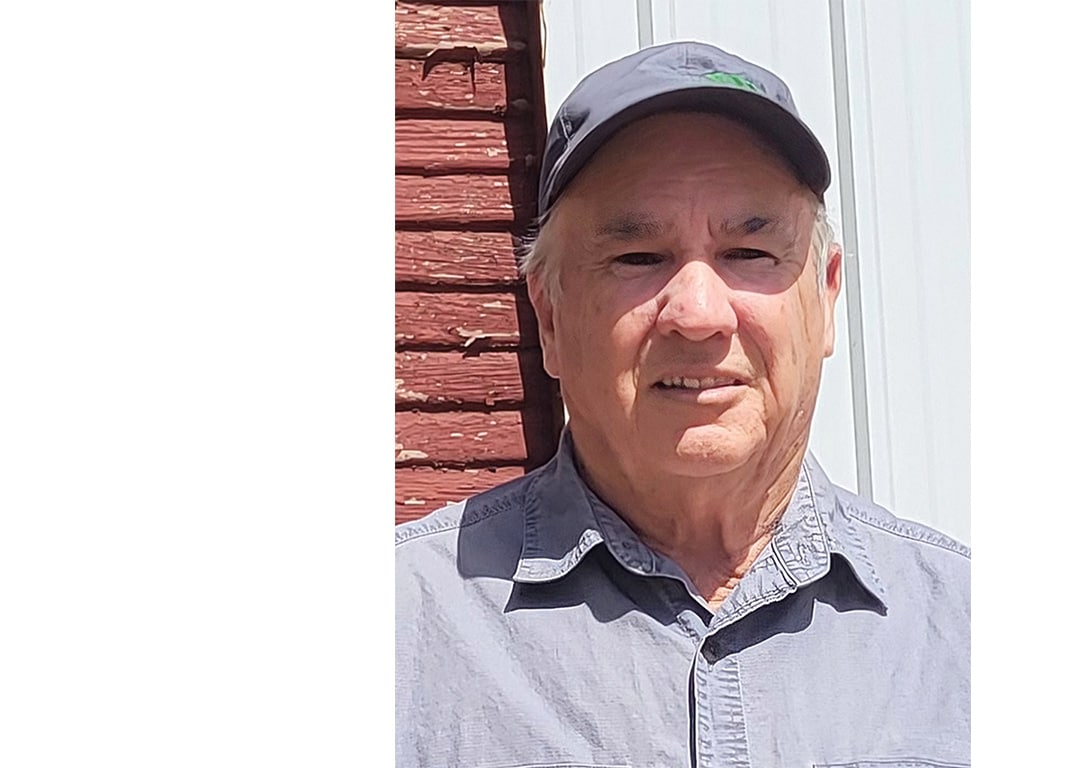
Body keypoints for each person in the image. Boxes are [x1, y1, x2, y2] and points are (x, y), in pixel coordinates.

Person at [396, 41, 969, 768]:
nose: (698, 314)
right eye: (638, 259)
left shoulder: (966, 639)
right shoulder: (406, 637)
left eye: (750, 253)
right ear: (548, 317)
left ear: (824, 299)